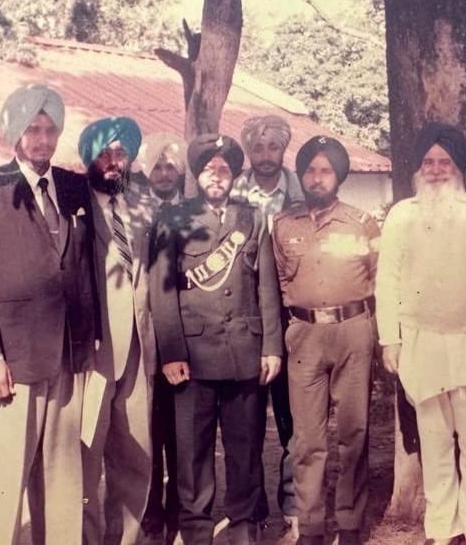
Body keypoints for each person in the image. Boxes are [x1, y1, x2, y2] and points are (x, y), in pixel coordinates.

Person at [0, 84, 97, 545]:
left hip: (65, 358)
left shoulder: (74, 188)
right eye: (32, 130)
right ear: (14, 134)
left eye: (49, 130)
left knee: (61, 482)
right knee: (4, 485)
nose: (41, 140)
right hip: (10, 364)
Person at [376, 123, 466, 545]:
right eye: (429, 162)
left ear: (458, 167)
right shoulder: (402, 216)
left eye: (445, 162)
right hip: (420, 342)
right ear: (419, 169)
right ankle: (443, 529)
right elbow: (388, 280)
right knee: (435, 446)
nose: (436, 170)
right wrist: (391, 339)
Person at [149, 133, 284, 545]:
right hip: (194, 354)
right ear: (197, 173)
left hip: (245, 351)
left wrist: (272, 346)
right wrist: (171, 353)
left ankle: (243, 527)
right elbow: (163, 291)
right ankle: (197, 531)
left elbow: (267, 287)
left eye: (224, 169)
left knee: (245, 448)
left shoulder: (253, 218)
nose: (217, 176)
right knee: (192, 454)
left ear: (233, 175)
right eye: (209, 169)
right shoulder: (173, 220)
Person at [271, 136, 381, 545]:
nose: (317, 178)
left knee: (354, 431)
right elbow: (281, 279)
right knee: (308, 437)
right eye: (310, 171)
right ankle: (312, 524)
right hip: (304, 335)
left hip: (352, 330)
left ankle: (350, 522)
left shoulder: (362, 222)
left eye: (325, 170)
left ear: (338, 176)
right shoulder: (284, 225)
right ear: (301, 175)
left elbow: (378, 276)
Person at [78, 117, 155, 545]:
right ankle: (86, 538)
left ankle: (122, 537)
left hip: (139, 347)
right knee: (86, 451)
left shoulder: (141, 203)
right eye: (103, 153)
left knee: (134, 451)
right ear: (88, 157)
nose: (112, 161)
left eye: (119, 153)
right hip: (94, 348)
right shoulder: (72, 199)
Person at [231, 115, 303, 531]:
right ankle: (252, 513)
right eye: (257, 149)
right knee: (247, 425)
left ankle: (293, 508)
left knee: (295, 422)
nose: (265, 157)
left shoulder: (302, 194)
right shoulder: (230, 195)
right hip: (246, 322)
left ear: (283, 150)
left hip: (293, 322)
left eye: (273, 148)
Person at [136, 132, 189, 543]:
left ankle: (180, 512)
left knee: (181, 431)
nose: (164, 173)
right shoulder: (135, 212)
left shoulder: (192, 213)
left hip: (182, 337)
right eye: (158, 166)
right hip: (142, 338)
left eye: (171, 166)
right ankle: (151, 512)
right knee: (148, 429)